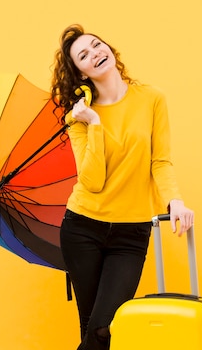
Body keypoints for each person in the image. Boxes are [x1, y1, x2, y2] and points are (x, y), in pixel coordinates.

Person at [50, 24, 194, 350]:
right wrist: (95, 125)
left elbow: (160, 161)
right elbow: (92, 181)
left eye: (97, 45)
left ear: (110, 50)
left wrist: (175, 202)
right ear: (81, 74)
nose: (95, 54)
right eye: (83, 56)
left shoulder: (152, 99)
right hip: (83, 227)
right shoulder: (79, 119)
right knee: (92, 330)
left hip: (131, 233)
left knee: (104, 330)